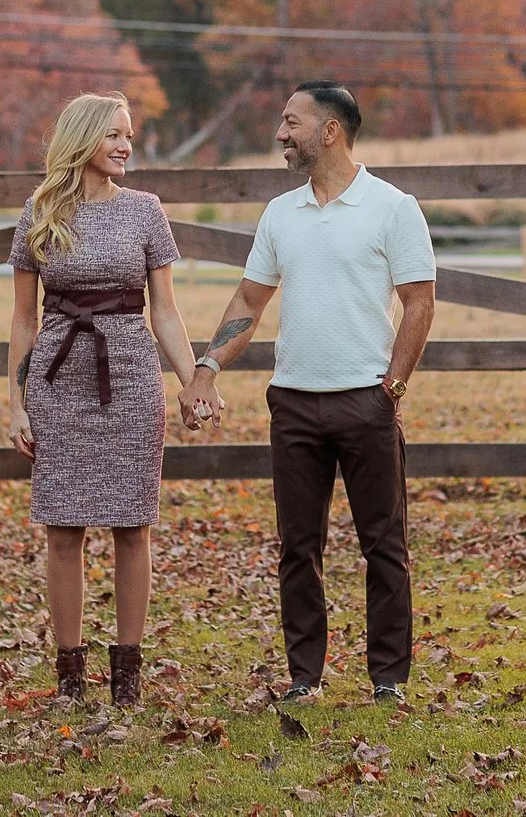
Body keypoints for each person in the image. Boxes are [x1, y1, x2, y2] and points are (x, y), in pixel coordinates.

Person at [180, 81, 437, 706]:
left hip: (365, 402)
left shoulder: (393, 208)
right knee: (299, 546)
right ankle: (305, 677)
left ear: (330, 131)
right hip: (293, 402)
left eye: (290, 121)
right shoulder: (280, 214)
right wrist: (207, 365)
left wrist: (391, 388)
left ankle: (388, 680)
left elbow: (420, 302)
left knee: (384, 544)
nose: (279, 133)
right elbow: (249, 299)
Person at [5, 92, 204, 707]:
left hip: (130, 375)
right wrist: (14, 403)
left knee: (132, 524)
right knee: (62, 527)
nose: (126, 146)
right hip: (58, 379)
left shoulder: (146, 211)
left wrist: (195, 378)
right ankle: (69, 675)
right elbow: (21, 322)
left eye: (129, 136)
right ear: (83, 139)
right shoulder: (39, 213)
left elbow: (165, 312)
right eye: (115, 134)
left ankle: (127, 676)